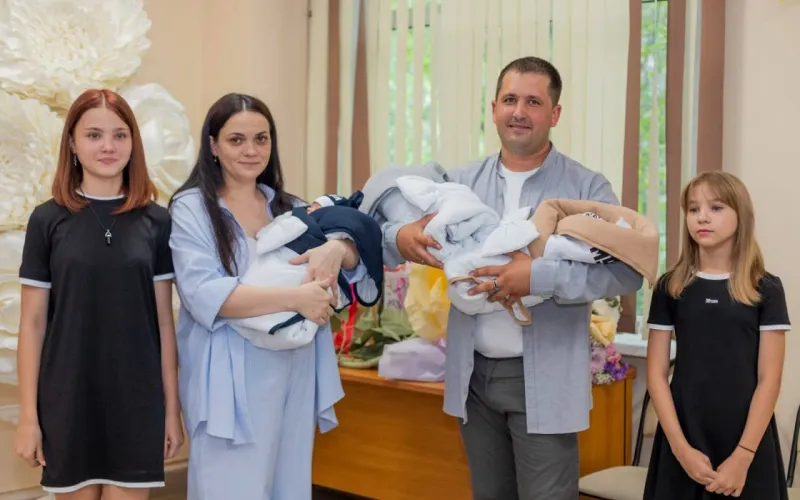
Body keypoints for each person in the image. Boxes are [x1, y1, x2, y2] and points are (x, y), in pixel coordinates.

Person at [360, 56, 645, 499]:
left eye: (533, 102)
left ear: (555, 114)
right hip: (473, 379)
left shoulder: (587, 189)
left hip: (545, 382)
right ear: (493, 109)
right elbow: (381, 229)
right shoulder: (458, 184)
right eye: (510, 100)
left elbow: (626, 272)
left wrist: (538, 278)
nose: (519, 111)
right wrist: (400, 234)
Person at [168, 93, 372, 500]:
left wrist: (337, 248)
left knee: (288, 486)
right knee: (230, 488)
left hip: (295, 366)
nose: (251, 150)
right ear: (213, 145)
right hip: (228, 374)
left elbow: (355, 266)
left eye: (261, 139)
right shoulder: (192, 208)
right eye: (236, 140)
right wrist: (294, 300)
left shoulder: (291, 208)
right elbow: (204, 294)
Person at [14, 89, 183, 499]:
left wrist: (171, 410)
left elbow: (164, 324)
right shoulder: (46, 220)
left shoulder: (157, 221)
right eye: (94, 135)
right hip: (67, 400)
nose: (108, 146)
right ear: (72, 143)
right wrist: (28, 418)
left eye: (120, 135)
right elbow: (32, 325)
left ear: (133, 143)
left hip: (137, 401)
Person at [644, 171, 790, 500]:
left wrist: (743, 457)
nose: (702, 217)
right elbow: (656, 375)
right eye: (693, 209)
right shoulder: (670, 287)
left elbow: (770, 380)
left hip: (747, 441)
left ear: (741, 214)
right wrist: (680, 449)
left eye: (716, 207)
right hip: (683, 438)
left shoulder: (765, 288)